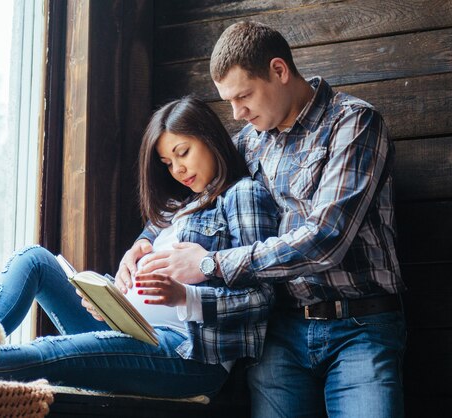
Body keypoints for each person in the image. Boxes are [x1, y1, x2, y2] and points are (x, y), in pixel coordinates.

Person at [128, 22, 407, 417]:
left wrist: (210, 263)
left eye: (244, 96)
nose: (237, 113)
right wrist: (144, 239)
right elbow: (198, 190)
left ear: (279, 71)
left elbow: (326, 238)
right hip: (277, 334)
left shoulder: (354, 123)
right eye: (229, 102)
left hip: (360, 326)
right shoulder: (248, 142)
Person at [0, 97, 279, 398]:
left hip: (187, 352)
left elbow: (262, 300)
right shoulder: (180, 208)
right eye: (168, 163)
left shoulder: (242, 195)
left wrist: (186, 296)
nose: (178, 169)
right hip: (125, 329)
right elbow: (147, 267)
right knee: (33, 259)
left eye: (183, 153)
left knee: (48, 351)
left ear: (210, 139)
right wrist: (109, 299)